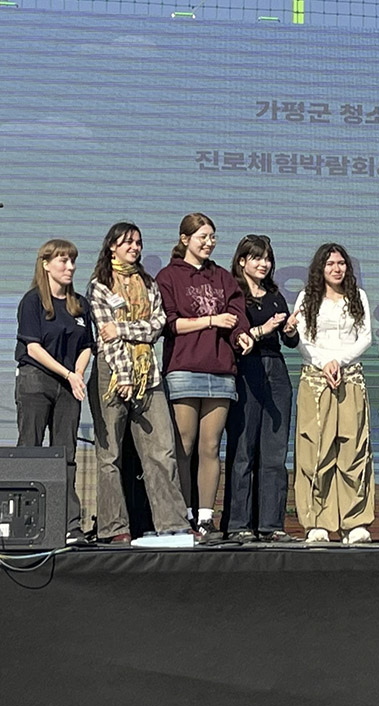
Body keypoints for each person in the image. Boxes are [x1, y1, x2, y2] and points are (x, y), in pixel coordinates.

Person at [87, 223, 191, 543]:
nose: (134, 247)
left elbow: (157, 325)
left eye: (138, 242)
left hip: (148, 372)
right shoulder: (99, 285)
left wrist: (123, 328)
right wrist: (124, 376)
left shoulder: (148, 282)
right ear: (112, 247)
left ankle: (172, 523)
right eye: (127, 242)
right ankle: (114, 527)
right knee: (110, 456)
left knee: (162, 449)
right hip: (112, 372)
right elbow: (106, 336)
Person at [156, 213, 251, 540]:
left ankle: (206, 517)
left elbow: (237, 317)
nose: (209, 243)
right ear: (185, 239)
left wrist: (242, 335)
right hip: (184, 367)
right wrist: (211, 320)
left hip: (220, 369)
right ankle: (182, 514)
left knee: (211, 446)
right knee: (183, 444)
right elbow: (170, 324)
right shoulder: (168, 276)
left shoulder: (223, 277)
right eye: (202, 237)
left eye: (212, 237)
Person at [293, 243, 375, 544]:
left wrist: (338, 361)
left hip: (349, 377)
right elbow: (301, 338)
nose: (336, 269)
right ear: (320, 268)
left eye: (341, 263)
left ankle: (355, 522)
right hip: (316, 380)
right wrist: (323, 362)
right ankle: (317, 522)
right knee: (316, 450)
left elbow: (365, 337)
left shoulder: (358, 297)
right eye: (330, 264)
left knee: (353, 449)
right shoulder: (307, 297)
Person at [15, 239, 94, 544]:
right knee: (31, 449)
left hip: (69, 386)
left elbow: (87, 345)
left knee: (66, 454)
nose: (70, 267)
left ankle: (69, 524)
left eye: (73, 261)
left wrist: (78, 374)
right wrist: (68, 373)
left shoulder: (79, 304)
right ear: (46, 264)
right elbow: (33, 347)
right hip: (37, 381)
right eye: (63, 261)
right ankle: (24, 523)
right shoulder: (33, 301)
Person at [222, 235, 299, 543]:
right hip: (246, 368)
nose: (264, 264)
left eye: (267, 258)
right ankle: (238, 523)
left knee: (275, 451)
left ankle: (271, 524)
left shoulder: (275, 296)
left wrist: (289, 330)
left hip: (276, 369)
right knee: (243, 448)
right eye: (257, 258)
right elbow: (233, 335)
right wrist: (261, 330)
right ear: (242, 261)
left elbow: (289, 340)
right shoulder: (234, 295)